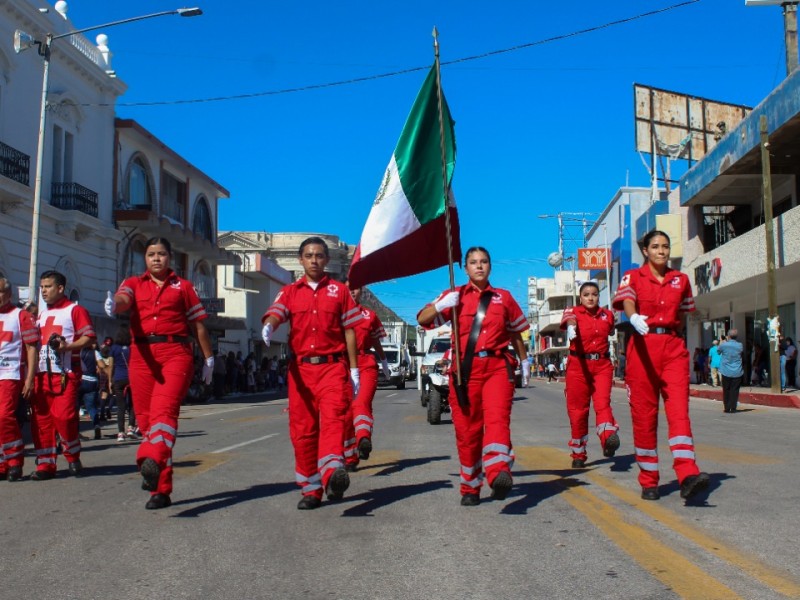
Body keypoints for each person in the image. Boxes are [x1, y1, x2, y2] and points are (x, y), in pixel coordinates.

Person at [105, 237, 214, 510]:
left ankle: (148, 459)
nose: (156, 258)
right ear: (146, 258)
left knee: (164, 416)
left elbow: (198, 325)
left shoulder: (183, 287)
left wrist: (210, 358)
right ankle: (160, 489)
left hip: (175, 352)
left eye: (162, 254)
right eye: (151, 254)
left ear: (170, 258)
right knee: (145, 423)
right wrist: (114, 305)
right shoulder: (133, 283)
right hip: (141, 356)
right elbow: (123, 299)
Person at [417, 246, 529, 506]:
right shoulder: (454, 296)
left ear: (490, 266)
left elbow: (515, 332)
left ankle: (499, 471)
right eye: (473, 262)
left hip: (498, 367)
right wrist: (440, 305)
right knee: (468, 432)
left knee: (498, 420)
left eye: (484, 262)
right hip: (465, 372)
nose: (479, 266)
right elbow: (423, 320)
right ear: (465, 268)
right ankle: (470, 486)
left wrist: (524, 361)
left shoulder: (504, 298)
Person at [260, 236, 361, 510]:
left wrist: (354, 369)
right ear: (301, 260)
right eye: (309, 255)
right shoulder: (291, 291)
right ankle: (311, 488)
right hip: (301, 371)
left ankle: (333, 473)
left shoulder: (339, 291)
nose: (314, 260)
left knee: (332, 422)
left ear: (326, 260)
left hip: (332, 368)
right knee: (303, 432)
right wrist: (269, 325)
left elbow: (350, 331)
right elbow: (277, 311)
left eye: (319, 255)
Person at [612, 229, 709, 501]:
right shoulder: (633, 276)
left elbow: (682, 314)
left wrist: (672, 335)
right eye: (655, 246)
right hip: (642, 349)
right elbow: (628, 301)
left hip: (672, 349)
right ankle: (649, 480)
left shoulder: (681, 279)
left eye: (665, 246)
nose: (661, 251)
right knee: (644, 417)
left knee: (679, 413)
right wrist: (633, 319)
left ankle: (688, 473)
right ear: (646, 250)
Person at [31, 270, 96, 479]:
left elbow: (89, 337)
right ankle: (45, 464)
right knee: (42, 421)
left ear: (60, 288)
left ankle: (72, 455)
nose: (43, 291)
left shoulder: (75, 310)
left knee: (64, 417)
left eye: (48, 287)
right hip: (41, 374)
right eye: (41, 287)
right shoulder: (41, 314)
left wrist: (68, 346)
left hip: (65, 374)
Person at [560, 279, 619, 468]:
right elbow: (569, 319)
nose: (590, 298)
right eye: (586, 295)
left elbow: (611, 330)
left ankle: (608, 438)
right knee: (578, 411)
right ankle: (578, 453)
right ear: (580, 297)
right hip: (578, 366)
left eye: (594, 294)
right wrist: (571, 327)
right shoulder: (573, 312)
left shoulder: (607, 315)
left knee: (602, 404)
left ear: (598, 296)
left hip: (602, 365)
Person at [342, 284, 391, 472]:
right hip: (343, 365)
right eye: (349, 288)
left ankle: (363, 439)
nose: (352, 291)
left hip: (366, 363)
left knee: (360, 402)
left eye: (356, 288)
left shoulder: (369, 315)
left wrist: (384, 361)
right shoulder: (337, 315)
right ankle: (350, 456)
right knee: (345, 412)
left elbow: (376, 341)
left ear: (362, 291)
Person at [0, 278, 38, 481]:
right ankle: (3, 462)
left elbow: (32, 348)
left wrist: (30, 378)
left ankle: (14, 460)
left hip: (10, 374)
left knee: (4, 416)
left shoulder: (20, 316)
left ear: (8, 294)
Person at [109, 328, 137, 441]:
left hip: (118, 378)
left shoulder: (113, 348)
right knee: (133, 404)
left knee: (121, 407)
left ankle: (120, 433)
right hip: (132, 378)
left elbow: (111, 365)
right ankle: (131, 427)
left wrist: (110, 381)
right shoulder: (132, 347)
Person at [78, 340, 101, 440]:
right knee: (91, 407)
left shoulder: (79, 352)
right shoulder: (95, 352)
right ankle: (96, 425)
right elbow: (102, 365)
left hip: (80, 380)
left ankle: (75, 431)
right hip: (92, 381)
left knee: (75, 407)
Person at [718, 329, 744, 413]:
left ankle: (727, 407)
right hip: (737, 371)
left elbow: (718, 351)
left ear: (728, 336)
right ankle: (733, 407)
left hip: (726, 370)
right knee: (735, 390)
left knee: (726, 390)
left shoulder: (724, 345)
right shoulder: (740, 345)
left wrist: (722, 341)